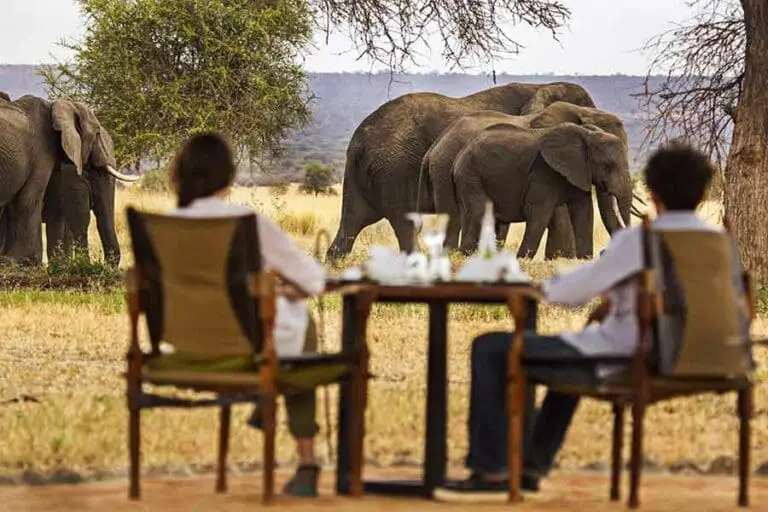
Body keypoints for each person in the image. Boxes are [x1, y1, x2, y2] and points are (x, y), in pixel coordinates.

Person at [444, 141, 736, 497]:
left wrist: (536, 286)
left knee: (490, 348)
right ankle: (530, 468)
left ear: (654, 193)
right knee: (565, 365)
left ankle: (489, 471)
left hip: (631, 358)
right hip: (713, 360)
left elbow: (573, 293)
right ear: (703, 190)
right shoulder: (722, 243)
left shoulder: (641, 240)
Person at [166, 131, 326, 497]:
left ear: (180, 175)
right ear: (228, 175)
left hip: (188, 349)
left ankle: (265, 399)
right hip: (250, 350)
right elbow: (313, 280)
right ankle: (306, 460)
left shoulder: (165, 225)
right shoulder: (247, 222)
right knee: (302, 330)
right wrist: (284, 287)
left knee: (287, 331)